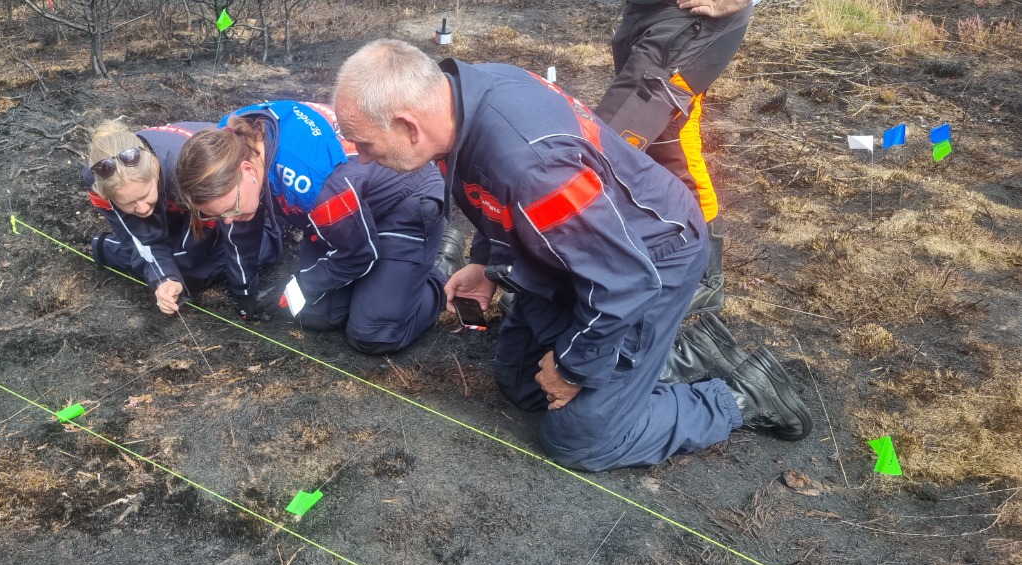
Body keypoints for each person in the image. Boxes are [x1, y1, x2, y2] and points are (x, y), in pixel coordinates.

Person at [333, 39, 812, 471]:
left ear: (409, 126)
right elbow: (491, 192)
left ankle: (742, 396)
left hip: (649, 258)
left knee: (579, 438)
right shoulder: (462, 94)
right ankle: (676, 358)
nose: (365, 158)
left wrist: (571, 368)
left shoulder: (535, 169)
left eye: (367, 144)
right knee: (522, 385)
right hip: (580, 252)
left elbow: (625, 281)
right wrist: (486, 264)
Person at [175, 100, 465, 355]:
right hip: (345, 211)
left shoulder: (313, 184)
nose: (227, 221)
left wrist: (301, 283)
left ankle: (440, 269)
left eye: (231, 210)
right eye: (219, 216)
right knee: (312, 313)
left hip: (403, 202)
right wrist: (243, 291)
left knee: (373, 334)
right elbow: (241, 227)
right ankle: (387, 281)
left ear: (248, 170)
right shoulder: (229, 143)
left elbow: (358, 254)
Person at [594, 0, 756, 315]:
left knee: (611, 146)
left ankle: (704, 278)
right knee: (660, 141)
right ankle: (664, 256)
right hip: (644, 13)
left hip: (691, 22)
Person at [83, 119, 279, 315]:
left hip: (219, 203)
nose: (142, 209)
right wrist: (166, 279)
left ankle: (113, 249)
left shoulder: (188, 174)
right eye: (127, 203)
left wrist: (244, 291)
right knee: (179, 268)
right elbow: (142, 239)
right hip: (178, 207)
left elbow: (237, 228)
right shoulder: (100, 181)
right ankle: (123, 249)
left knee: (258, 249)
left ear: (154, 168)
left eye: (145, 195)